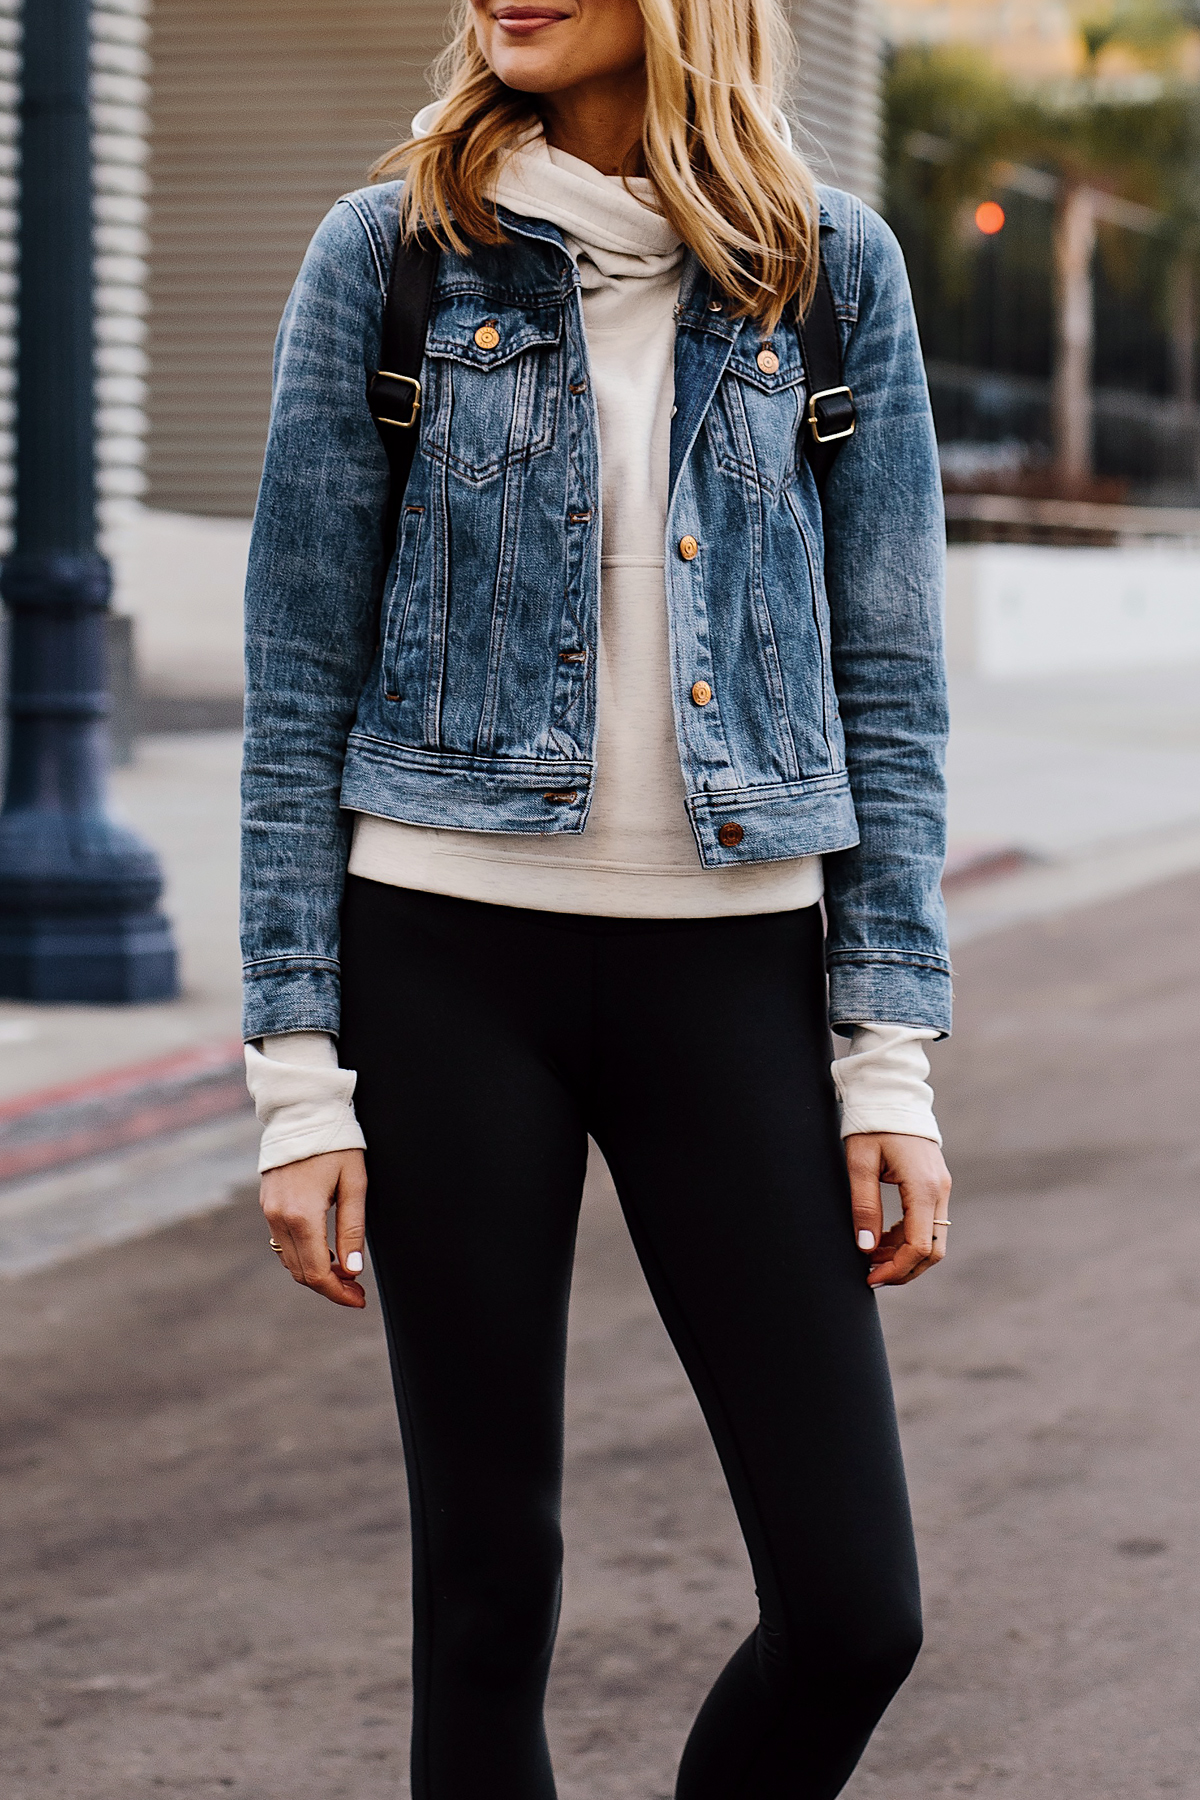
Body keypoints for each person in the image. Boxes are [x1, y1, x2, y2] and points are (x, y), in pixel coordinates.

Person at [240, 1, 954, 1794]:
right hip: (445, 963)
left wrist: (889, 1064)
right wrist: (295, 1079)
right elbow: (296, 672)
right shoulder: (393, 250)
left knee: (856, 1609)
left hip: (736, 976)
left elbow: (891, 679)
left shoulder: (825, 267)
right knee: (488, 1594)